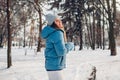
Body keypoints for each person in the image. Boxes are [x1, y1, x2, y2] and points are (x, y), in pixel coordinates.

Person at [41, 13, 74, 80]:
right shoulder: (57, 33)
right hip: (55, 66)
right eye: (59, 20)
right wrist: (70, 45)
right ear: (55, 21)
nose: (61, 22)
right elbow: (61, 52)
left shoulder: (50, 32)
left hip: (51, 65)